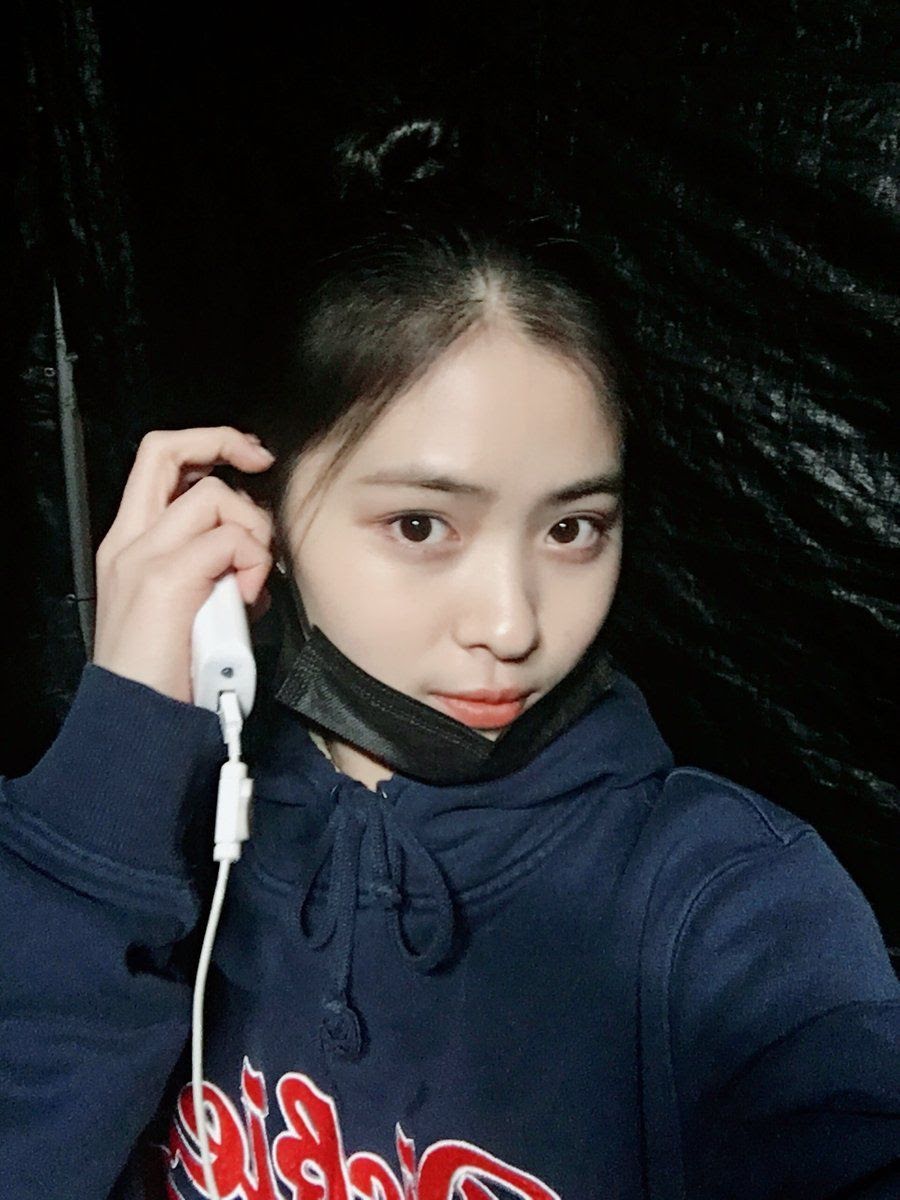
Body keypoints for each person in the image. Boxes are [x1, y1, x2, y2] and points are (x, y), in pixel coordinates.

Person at [1, 122, 898, 1200]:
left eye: (572, 529)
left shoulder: (731, 911)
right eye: (422, 526)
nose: (513, 625)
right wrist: (112, 773)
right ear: (255, 510)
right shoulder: (163, 842)